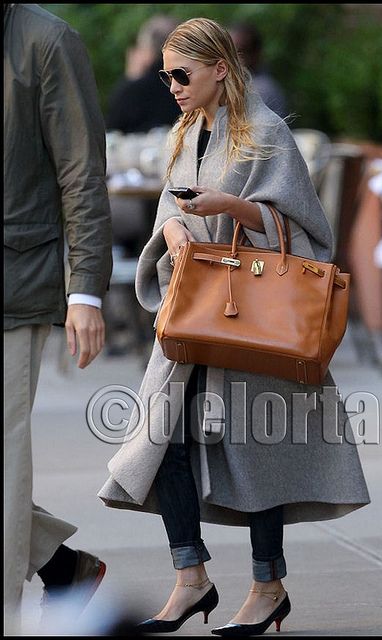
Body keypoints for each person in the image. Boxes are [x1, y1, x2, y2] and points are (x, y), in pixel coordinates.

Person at [98, 18, 370, 637]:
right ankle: (191, 578)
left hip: (250, 317)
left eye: (181, 73)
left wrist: (230, 208)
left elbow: (302, 232)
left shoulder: (267, 133)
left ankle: (268, 587)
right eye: (166, 73)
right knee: (163, 441)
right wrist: (171, 227)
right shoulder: (187, 130)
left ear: (220, 67)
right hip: (195, 313)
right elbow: (172, 202)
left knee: (256, 448)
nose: (170, 84)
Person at [4, 4, 112, 634]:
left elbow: (81, 171)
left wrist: (86, 292)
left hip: (15, 287)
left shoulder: (48, 41)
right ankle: (61, 566)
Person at [105, 14, 181, 134]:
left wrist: (130, 78)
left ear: (148, 50)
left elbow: (111, 132)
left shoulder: (133, 90)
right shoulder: (189, 83)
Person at [229, 22, 289, 119]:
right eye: (228, 51)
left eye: (239, 52)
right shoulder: (239, 84)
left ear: (256, 54)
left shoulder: (263, 90)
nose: (231, 58)